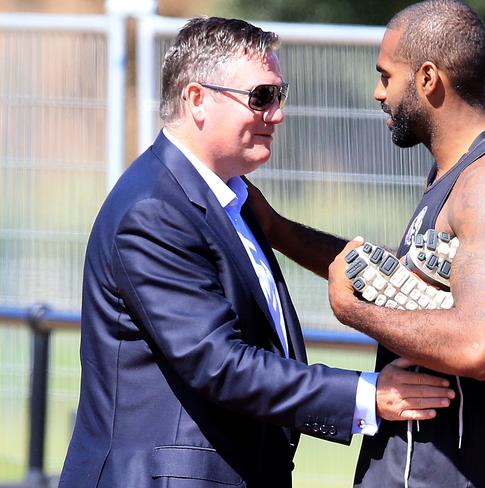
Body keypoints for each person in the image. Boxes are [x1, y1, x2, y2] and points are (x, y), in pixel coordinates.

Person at [57, 16, 457, 488]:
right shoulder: (152, 211)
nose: (277, 114)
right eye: (261, 97)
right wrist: (368, 395)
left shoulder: (233, 200)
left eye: (279, 96)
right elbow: (218, 362)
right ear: (197, 100)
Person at [246, 1, 485, 486]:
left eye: (386, 75)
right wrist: (279, 231)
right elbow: (406, 282)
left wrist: (354, 313)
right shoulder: (454, 174)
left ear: (429, 78)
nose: (378, 92)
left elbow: (478, 347)